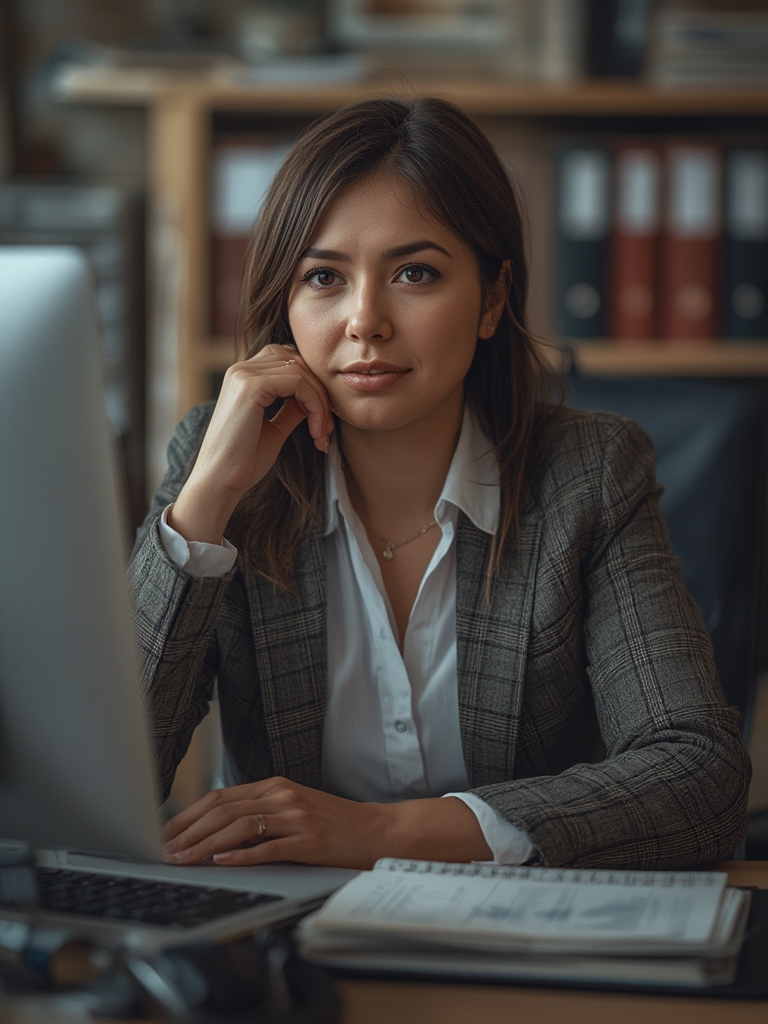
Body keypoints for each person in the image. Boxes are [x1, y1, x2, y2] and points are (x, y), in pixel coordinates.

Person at [130, 96, 750, 872]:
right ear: (286, 306)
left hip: (518, 938)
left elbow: (700, 778)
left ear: (492, 299)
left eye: (414, 273)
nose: (364, 321)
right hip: (284, 943)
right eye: (323, 276)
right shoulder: (217, 465)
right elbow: (113, 777)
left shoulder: (589, 474)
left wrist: (381, 834)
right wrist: (208, 501)